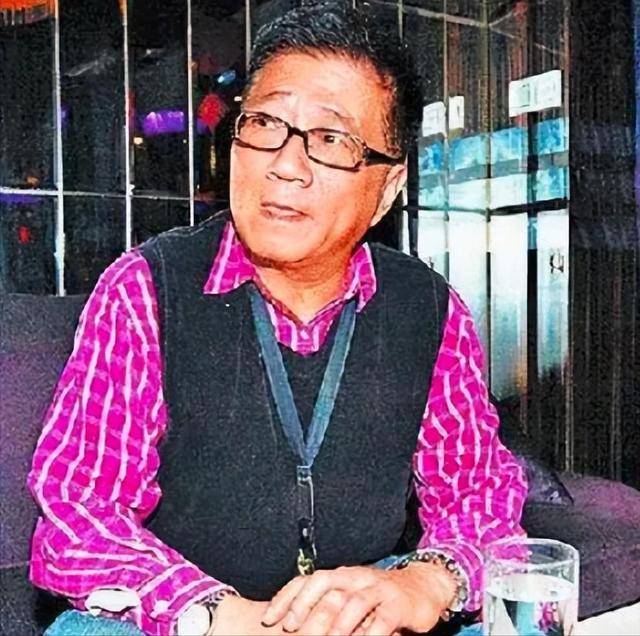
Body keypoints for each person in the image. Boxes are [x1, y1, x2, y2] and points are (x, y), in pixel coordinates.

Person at [28, 3, 528, 635]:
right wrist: (220, 617)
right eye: (264, 123)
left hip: (356, 606)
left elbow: (479, 496)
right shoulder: (147, 289)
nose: (285, 165)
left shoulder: (428, 309)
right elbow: (78, 517)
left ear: (387, 188)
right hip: (186, 614)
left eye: (331, 140)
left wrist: (427, 580)